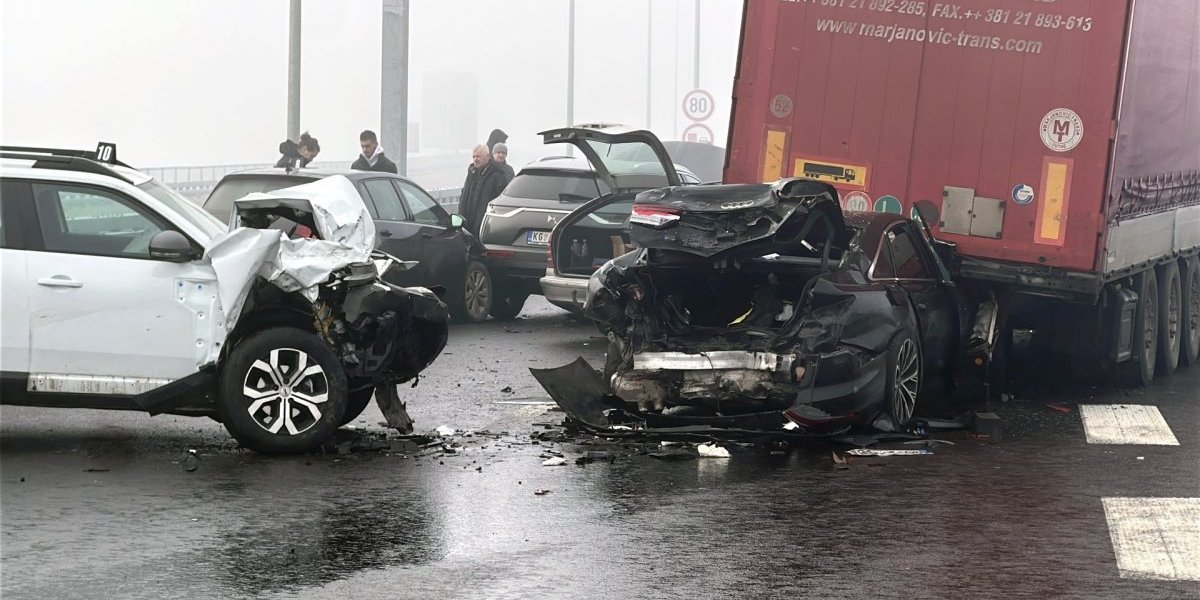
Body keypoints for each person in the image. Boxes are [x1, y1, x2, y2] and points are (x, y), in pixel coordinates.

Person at [458, 143, 507, 236]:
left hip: (485, 226)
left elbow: (500, 200)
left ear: (488, 157)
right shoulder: (472, 173)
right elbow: (464, 196)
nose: (475, 159)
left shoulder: (497, 175)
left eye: (478, 156)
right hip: (467, 224)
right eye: (474, 157)